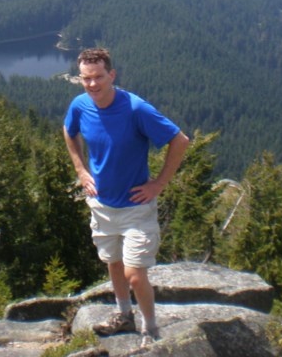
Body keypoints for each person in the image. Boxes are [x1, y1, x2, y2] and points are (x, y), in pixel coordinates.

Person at [63, 47, 190, 347]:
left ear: (112, 75)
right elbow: (69, 132)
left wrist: (158, 184)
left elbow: (180, 141)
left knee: (134, 273)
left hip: (136, 208)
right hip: (102, 205)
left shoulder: (135, 108)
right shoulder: (80, 105)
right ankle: (124, 315)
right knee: (114, 262)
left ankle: (150, 328)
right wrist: (81, 170)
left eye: (98, 77)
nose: (92, 84)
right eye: (86, 78)